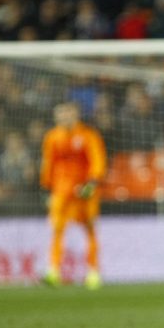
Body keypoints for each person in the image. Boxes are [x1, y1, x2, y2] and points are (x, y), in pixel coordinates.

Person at [40, 101, 107, 290]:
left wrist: (92, 183)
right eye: (61, 113)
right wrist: (46, 188)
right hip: (61, 191)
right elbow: (48, 163)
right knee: (57, 229)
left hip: (85, 191)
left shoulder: (88, 135)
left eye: (68, 113)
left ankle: (93, 272)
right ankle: (53, 271)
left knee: (90, 229)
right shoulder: (52, 137)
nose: (64, 117)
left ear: (76, 114)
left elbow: (97, 160)